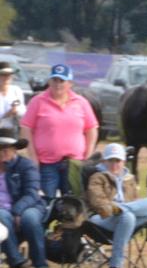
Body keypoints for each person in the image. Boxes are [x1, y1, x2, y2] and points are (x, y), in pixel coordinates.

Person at [20, 63, 99, 199]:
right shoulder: (38, 101)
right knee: (47, 202)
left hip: (74, 163)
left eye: (62, 81)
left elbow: (92, 128)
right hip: (46, 164)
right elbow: (26, 128)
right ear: (49, 81)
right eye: (54, 80)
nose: (57, 84)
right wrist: (33, 157)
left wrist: (88, 155)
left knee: (73, 203)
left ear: (70, 83)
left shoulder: (81, 102)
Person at [86, 143, 147, 268]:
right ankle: (116, 266)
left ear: (124, 161)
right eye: (111, 160)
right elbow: (97, 202)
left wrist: (122, 209)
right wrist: (114, 210)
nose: (114, 164)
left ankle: (123, 210)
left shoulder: (129, 179)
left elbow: (136, 202)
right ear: (104, 161)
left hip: (125, 218)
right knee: (128, 216)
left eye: (118, 160)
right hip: (102, 217)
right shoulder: (97, 177)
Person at [0, 127, 48, 268]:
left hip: (29, 205)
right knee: (1, 216)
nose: (2, 152)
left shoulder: (26, 166)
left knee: (30, 219)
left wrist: (17, 211)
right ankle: (18, 261)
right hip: (3, 209)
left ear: (15, 149)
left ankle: (40, 264)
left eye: (5, 148)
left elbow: (32, 193)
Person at [0, 62, 26, 131]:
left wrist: (16, 111)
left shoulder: (16, 90)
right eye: (3, 74)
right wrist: (6, 114)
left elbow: (23, 112)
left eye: (9, 74)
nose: (7, 77)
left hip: (12, 132)